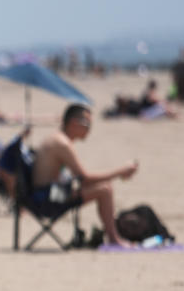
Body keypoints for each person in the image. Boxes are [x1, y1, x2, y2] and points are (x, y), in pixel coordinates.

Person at [32, 104, 138, 247]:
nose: (89, 129)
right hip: (48, 199)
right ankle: (114, 239)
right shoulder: (62, 144)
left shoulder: (57, 139)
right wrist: (121, 172)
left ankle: (113, 236)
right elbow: (85, 179)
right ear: (74, 123)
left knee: (103, 187)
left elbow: (80, 179)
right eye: (87, 124)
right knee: (105, 190)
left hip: (46, 194)